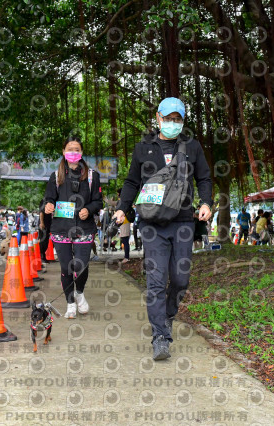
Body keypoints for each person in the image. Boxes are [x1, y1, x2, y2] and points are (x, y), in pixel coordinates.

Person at [113, 97, 212, 361]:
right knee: (156, 282)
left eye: (177, 119)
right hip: (152, 224)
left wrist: (206, 202)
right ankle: (160, 336)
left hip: (182, 222)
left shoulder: (191, 147)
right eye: (168, 118)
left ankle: (168, 315)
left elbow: (203, 177)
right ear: (158, 118)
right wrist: (123, 207)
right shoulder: (143, 147)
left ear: (183, 121)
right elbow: (132, 181)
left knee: (180, 280)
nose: (172, 123)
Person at [43, 136, 103, 319]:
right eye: (70, 149)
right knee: (66, 268)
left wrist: (88, 209)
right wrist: (48, 205)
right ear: (63, 152)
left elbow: (98, 202)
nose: (73, 152)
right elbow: (48, 198)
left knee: (81, 266)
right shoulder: (56, 176)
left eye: (77, 149)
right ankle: (70, 303)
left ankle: (79, 292)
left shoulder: (92, 176)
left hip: (84, 228)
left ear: (82, 152)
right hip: (61, 228)